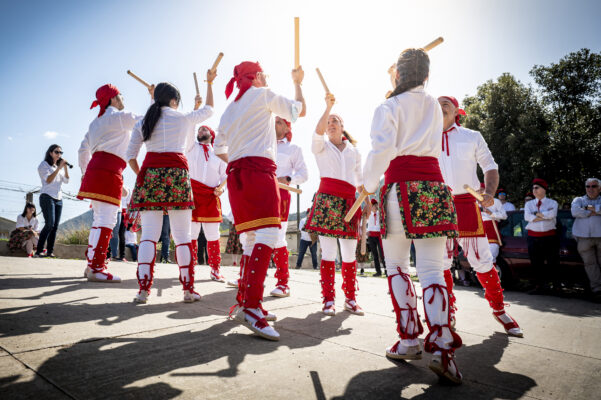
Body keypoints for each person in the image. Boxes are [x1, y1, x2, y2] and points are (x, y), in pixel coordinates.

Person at [362, 48, 462, 384]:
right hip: (433, 188)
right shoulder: (434, 104)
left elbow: (382, 149)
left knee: (397, 266)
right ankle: (443, 351)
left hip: (400, 188)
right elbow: (411, 99)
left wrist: (366, 183)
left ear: (399, 76)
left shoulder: (388, 106)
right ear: (427, 76)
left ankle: (408, 340)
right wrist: (399, 78)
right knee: (433, 269)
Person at [214, 61, 305, 340]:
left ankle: (246, 301)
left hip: (237, 175)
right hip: (258, 172)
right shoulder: (262, 94)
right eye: (263, 73)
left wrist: (239, 162)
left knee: (251, 239)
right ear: (256, 77)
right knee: (268, 234)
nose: (267, 77)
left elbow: (219, 148)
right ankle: (251, 307)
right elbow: (297, 110)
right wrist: (298, 82)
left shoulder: (230, 108)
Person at [437, 95, 522, 338]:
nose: (440, 106)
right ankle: (447, 312)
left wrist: (490, 193)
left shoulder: (472, 136)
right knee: (440, 263)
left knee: (482, 261)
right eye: (437, 103)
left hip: (466, 202)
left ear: (457, 112)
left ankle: (499, 310)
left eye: (446, 104)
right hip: (437, 204)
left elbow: (490, 167)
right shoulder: (424, 136)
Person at [127, 73, 215, 304]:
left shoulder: (143, 122)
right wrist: (210, 82)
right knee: (182, 236)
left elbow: (130, 157)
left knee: (148, 236)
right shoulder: (183, 118)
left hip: (150, 175)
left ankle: (143, 290)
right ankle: (188, 290)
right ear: (174, 100)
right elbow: (209, 109)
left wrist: (143, 176)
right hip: (177, 175)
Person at [78, 84, 152, 281]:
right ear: (113, 99)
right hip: (110, 171)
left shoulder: (95, 124)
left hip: (94, 170)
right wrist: (153, 99)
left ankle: (91, 265)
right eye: (120, 95)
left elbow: (82, 151)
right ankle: (96, 268)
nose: (123, 99)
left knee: (99, 220)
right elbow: (148, 121)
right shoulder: (119, 117)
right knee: (107, 220)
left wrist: (86, 173)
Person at [304, 95, 364, 317]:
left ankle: (350, 299)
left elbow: (360, 180)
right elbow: (317, 132)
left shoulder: (355, 151)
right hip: (327, 200)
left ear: (342, 127)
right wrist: (328, 108)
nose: (330, 124)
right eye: (328, 122)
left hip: (349, 203)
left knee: (349, 254)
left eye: (334, 121)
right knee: (328, 252)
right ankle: (328, 300)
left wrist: (366, 201)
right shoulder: (320, 146)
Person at [270, 116, 308, 297]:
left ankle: (283, 283)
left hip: (280, 193)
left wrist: (289, 179)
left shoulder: (294, 148)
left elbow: (304, 174)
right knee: (251, 235)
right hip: (259, 191)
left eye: (278, 121)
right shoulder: (263, 143)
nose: (274, 124)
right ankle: (249, 278)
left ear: (287, 128)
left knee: (278, 237)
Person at [186, 124, 227, 282]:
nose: (200, 132)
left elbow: (225, 175)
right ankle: (189, 268)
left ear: (211, 134)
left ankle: (215, 269)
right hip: (192, 194)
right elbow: (190, 129)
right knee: (191, 234)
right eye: (198, 130)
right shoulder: (191, 147)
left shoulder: (219, 152)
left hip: (211, 195)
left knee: (213, 235)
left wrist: (221, 189)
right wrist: (197, 109)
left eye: (204, 130)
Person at [524, 178, 559, 294]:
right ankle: (539, 286)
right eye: (533, 188)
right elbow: (527, 218)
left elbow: (552, 214)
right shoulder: (529, 204)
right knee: (536, 263)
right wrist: (545, 215)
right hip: (533, 237)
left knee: (552, 262)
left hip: (549, 237)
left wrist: (536, 216)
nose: (534, 190)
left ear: (544, 189)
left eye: (537, 187)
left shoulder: (553, 203)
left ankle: (556, 287)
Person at [35, 144, 69, 257]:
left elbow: (66, 181)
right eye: (57, 152)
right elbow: (48, 180)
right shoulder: (44, 165)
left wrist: (64, 168)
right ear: (50, 153)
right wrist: (59, 168)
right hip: (47, 196)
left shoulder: (57, 167)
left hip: (58, 199)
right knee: (49, 223)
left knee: (55, 226)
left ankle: (50, 251)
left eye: (61, 152)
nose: (59, 154)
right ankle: (39, 250)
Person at [571, 178, 601, 298]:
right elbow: (574, 212)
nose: (590, 189)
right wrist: (595, 210)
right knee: (590, 265)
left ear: (599, 188)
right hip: (583, 237)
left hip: (600, 236)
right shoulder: (579, 200)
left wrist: (586, 208)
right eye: (588, 186)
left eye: (594, 186)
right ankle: (598, 289)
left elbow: (581, 211)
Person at [481, 184, 508, 265]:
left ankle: (492, 276)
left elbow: (504, 215)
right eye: (477, 191)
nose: (479, 192)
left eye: (481, 190)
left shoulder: (495, 201)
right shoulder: (475, 203)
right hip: (479, 232)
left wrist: (491, 213)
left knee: (491, 255)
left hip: (491, 230)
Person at [366, 199, 386, 276]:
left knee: (382, 253)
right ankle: (378, 271)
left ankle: (386, 270)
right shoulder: (368, 214)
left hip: (379, 235)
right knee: (375, 254)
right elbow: (365, 223)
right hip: (371, 235)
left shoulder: (380, 213)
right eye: (372, 206)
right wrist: (366, 232)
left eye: (375, 206)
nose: (374, 207)